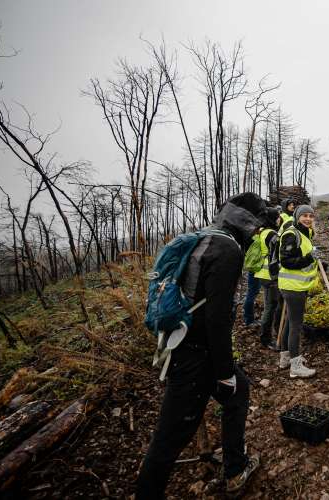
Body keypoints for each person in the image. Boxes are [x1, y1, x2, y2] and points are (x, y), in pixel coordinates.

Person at [136, 193, 263, 498]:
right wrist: (223, 372)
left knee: (240, 391)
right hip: (195, 357)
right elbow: (217, 318)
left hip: (187, 345)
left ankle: (235, 468)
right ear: (246, 221)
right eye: (257, 223)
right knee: (168, 440)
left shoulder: (206, 237)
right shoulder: (228, 249)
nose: (258, 231)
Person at [277, 204, 319, 378]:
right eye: (304, 216)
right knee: (296, 325)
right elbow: (287, 261)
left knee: (290, 322)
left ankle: (285, 357)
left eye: (310, 215)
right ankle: (295, 365)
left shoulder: (303, 233)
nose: (308, 218)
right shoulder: (291, 234)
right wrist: (309, 257)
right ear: (297, 217)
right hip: (292, 287)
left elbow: (302, 259)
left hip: (297, 287)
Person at [253, 207, 282, 350]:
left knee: (269, 306)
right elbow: (280, 254)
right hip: (271, 275)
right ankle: (266, 338)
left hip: (262, 274)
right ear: (271, 218)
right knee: (271, 307)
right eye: (277, 216)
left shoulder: (262, 231)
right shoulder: (272, 234)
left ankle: (272, 334)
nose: (279, 219)